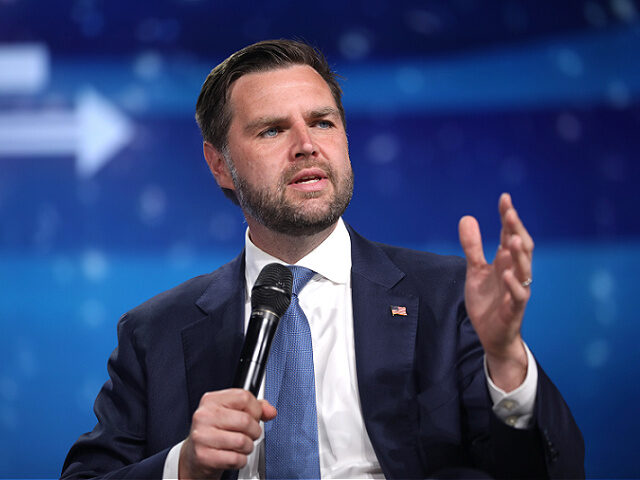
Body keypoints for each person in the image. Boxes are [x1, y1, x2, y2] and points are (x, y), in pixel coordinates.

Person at [61, 39, 584, 479]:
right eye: (272, 130)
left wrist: (508, 360)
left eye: (323, 122)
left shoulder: (447, 297)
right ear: (219, 163)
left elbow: (551, 469)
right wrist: (184, 465)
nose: (307, 145)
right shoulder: (155, 331)